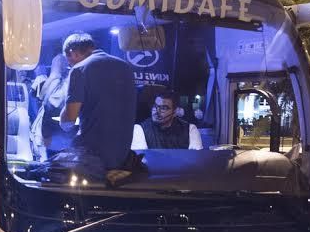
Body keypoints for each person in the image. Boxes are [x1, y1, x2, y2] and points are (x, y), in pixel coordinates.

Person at [57, 32, 137, 171]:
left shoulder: (79, 70)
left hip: (92, 157)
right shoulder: (126, 67)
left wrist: (63, 117)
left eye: (68, 61)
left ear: (73, 53)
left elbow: (69, 119)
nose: (69, 65)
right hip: (122, 156)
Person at [132, 90, 202, 150]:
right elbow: (141, 160)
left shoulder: (190, 129)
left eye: (163, 108)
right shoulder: (140, 129)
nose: (157, 111)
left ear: (174, 112)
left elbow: (196, 160)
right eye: (155, 106)